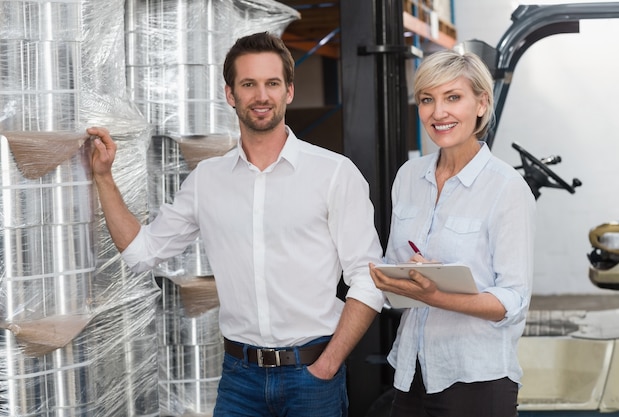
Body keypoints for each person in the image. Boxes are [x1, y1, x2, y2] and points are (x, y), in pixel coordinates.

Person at [88, 32, 385, 416]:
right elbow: (142, 254)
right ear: (231, 94)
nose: (261, 96)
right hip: (239, 381)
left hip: (312, 377)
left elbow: (368, 278)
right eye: (249, 84)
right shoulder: (206, 180)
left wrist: (327, 365)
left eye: (272, 84)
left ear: (288, 92)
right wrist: (104, 178)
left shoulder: (333, 174)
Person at [369, 49, 536, 417]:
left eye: (453, 98)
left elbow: (512, 300)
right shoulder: (409, 177)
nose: (438, 112)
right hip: (410, 371)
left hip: (476, 378)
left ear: (481, 103)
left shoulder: (506, 188)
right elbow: (396, 266)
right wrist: (392, 279)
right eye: (427, 100)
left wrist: (436, 293)